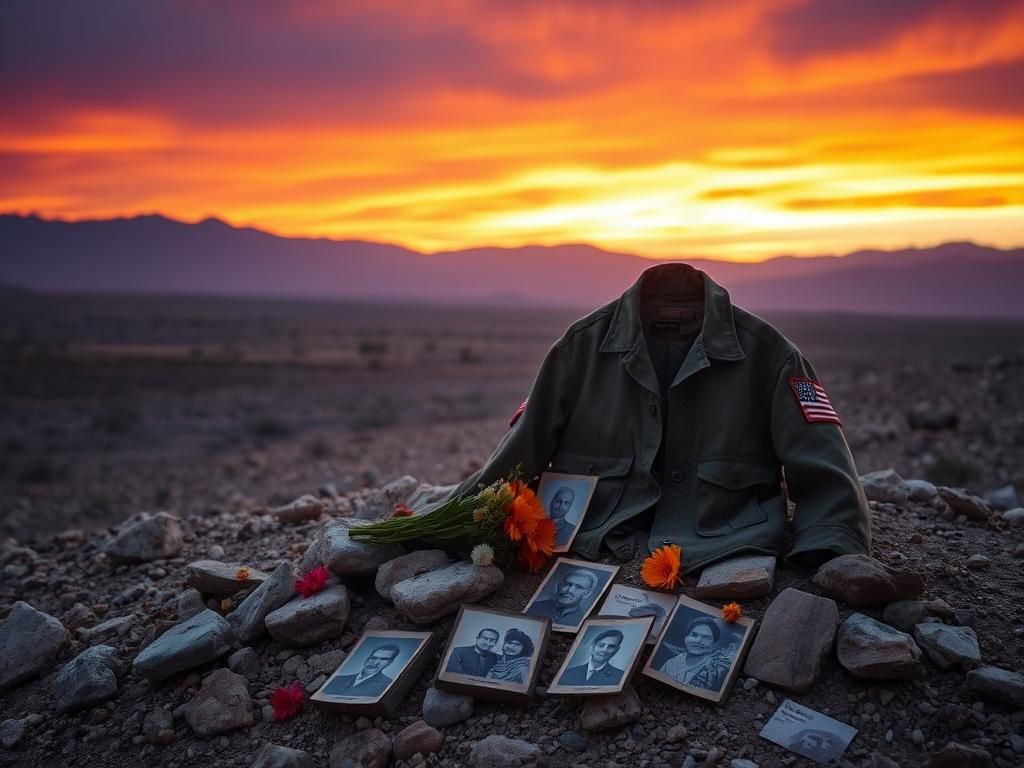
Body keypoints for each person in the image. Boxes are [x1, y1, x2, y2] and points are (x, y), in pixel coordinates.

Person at [448, 262, 871, 571]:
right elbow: (521, 450)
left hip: (730, 545)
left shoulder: (771, 357)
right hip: (594, 541)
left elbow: (823, 464)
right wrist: (445, 522)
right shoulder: (580, 350)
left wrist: (830, 546)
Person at [659, 616, 732, 691]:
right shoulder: (670, 664)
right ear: (685, 637)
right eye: (693, 635)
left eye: (706, 637)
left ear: (714, 643)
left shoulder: (719, 669)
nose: (698, 641)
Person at [528, 568, 598, 626]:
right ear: (558, 586)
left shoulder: (583, 620)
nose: (569, 590)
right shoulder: (535, 606)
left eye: (579, 587)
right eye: (567, 584)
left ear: (587, 593)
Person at [322, 644, 400, 697]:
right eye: (373, 658)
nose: (375, 662)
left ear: (389, 663)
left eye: (383, 659)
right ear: (367, 658)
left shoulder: (387, 684)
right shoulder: (337, 679)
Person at [558, 629, 625, 686]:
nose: (604, 650)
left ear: (616, 650)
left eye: (611, 647)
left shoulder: (620, 677)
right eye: (601, 645)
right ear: (592, 647)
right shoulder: (568, 673)